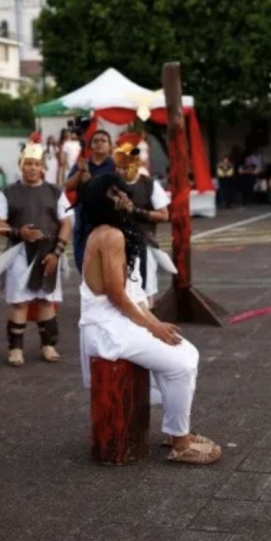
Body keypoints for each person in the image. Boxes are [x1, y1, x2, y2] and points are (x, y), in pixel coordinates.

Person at [78, 174, 220, 465]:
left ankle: (175, 432)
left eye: (122, 189)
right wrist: (153, 326)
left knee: (186, 353)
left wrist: (153, 322)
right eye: (116, 192)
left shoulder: (111, 232)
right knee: (181, 364)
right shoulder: (110, 235)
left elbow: (132, 292)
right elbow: (117, 296)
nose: (125, 196)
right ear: (102, 201)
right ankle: (180, 443)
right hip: (108, 330)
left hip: (117, 322)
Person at [0, 134, 74, 367]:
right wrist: (18, 232)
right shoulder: (8, 192)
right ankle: (15, 349)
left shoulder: (55, 192)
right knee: (19, 302)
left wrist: (57, 253)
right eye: (28, 163)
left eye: (36, 164)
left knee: (46, 300)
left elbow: (66, 222)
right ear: (21, 164)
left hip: (49, 251)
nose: (32, 168)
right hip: (19, 252)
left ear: (42, 166)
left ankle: (48, 345)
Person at [113, 133, 173, 306]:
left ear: (135, 165)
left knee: (145, 289)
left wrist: (136, 211)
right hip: (118, 244)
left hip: (144, 242)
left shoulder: (149, 185)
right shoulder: (113, 184)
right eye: (118, 167)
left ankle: (148, 325)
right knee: (120, 289)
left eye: (124, 167)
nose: (120, 171)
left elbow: (164, 215)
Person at [64, 129, 116, 271]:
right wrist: (80, 173)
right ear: (90, 145)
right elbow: (67, 187)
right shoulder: (82, 164)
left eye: (103, 140)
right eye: (95, 141)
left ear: (110, 146)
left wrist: (91, 181)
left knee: (107, 265)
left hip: (108, 220)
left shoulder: (115, 166)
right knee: (83, 261)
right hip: (83, 219)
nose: (99, 143)